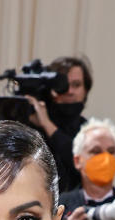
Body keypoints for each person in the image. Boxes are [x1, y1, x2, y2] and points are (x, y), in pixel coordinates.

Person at [22, 53, 93, 193]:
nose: (70, 91)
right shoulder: (32, 125)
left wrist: (47, 125)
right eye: (63, 85)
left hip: (74, 208)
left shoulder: (90, 130)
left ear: (86, 90)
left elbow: (81, 165)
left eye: (76, 85)